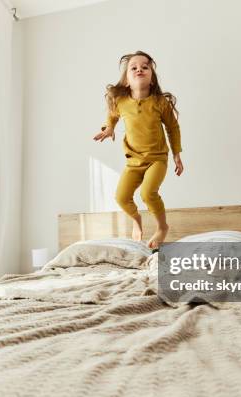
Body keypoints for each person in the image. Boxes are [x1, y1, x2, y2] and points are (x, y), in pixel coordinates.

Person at [93, 50, 184, 249]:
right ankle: (136, 220)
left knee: (148, 193)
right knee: (121, 197)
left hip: (157, 159)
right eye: (133, 68)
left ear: (152, 77)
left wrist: (177, 154)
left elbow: (172, 128)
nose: (139, 69)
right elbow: (113, 114)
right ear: (126, 80)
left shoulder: (160, 102)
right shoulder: (121, 101)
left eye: (145, 67)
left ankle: (162, 227)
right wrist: (109, 128)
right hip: (133, 161)